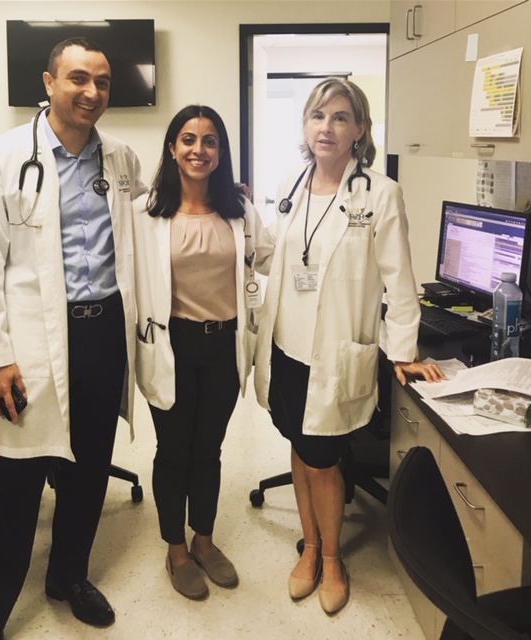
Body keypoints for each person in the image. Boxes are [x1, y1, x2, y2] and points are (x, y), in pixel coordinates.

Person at [0, 37, 147, 639]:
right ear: (48, 82)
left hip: (102, 334)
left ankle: (67, 575)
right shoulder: (2, 155)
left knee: (90, 469)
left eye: (102, 81)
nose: (91, 92)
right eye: (77, 79)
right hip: (33, 342)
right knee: (16, 479)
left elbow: (144, 230)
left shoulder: (120, 159)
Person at [252, 77, 445, 615]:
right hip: (287, 344)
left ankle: (331, 558)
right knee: (297, 441)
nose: (327, 127)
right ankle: (309, 546)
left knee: (323, 460)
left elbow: (400, 280)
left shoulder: (380, 194)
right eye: (318, 116)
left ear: (360, 129)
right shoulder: (293, 182)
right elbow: (276, 253)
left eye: (340, 117)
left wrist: (403, 349)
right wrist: (237, 231)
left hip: (335, 350)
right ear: (305, 126)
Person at [132, 105, 274, 600]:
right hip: (170, 343)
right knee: (173, 451)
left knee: (208, 451)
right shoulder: (144, 213)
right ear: (172, 148)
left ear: (221, 152)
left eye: (210, 141)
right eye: (188, 139)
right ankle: (175, 548)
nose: (199, 149)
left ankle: (205, 541)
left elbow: (270, 256)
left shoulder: (240, 211)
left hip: (224, 345)